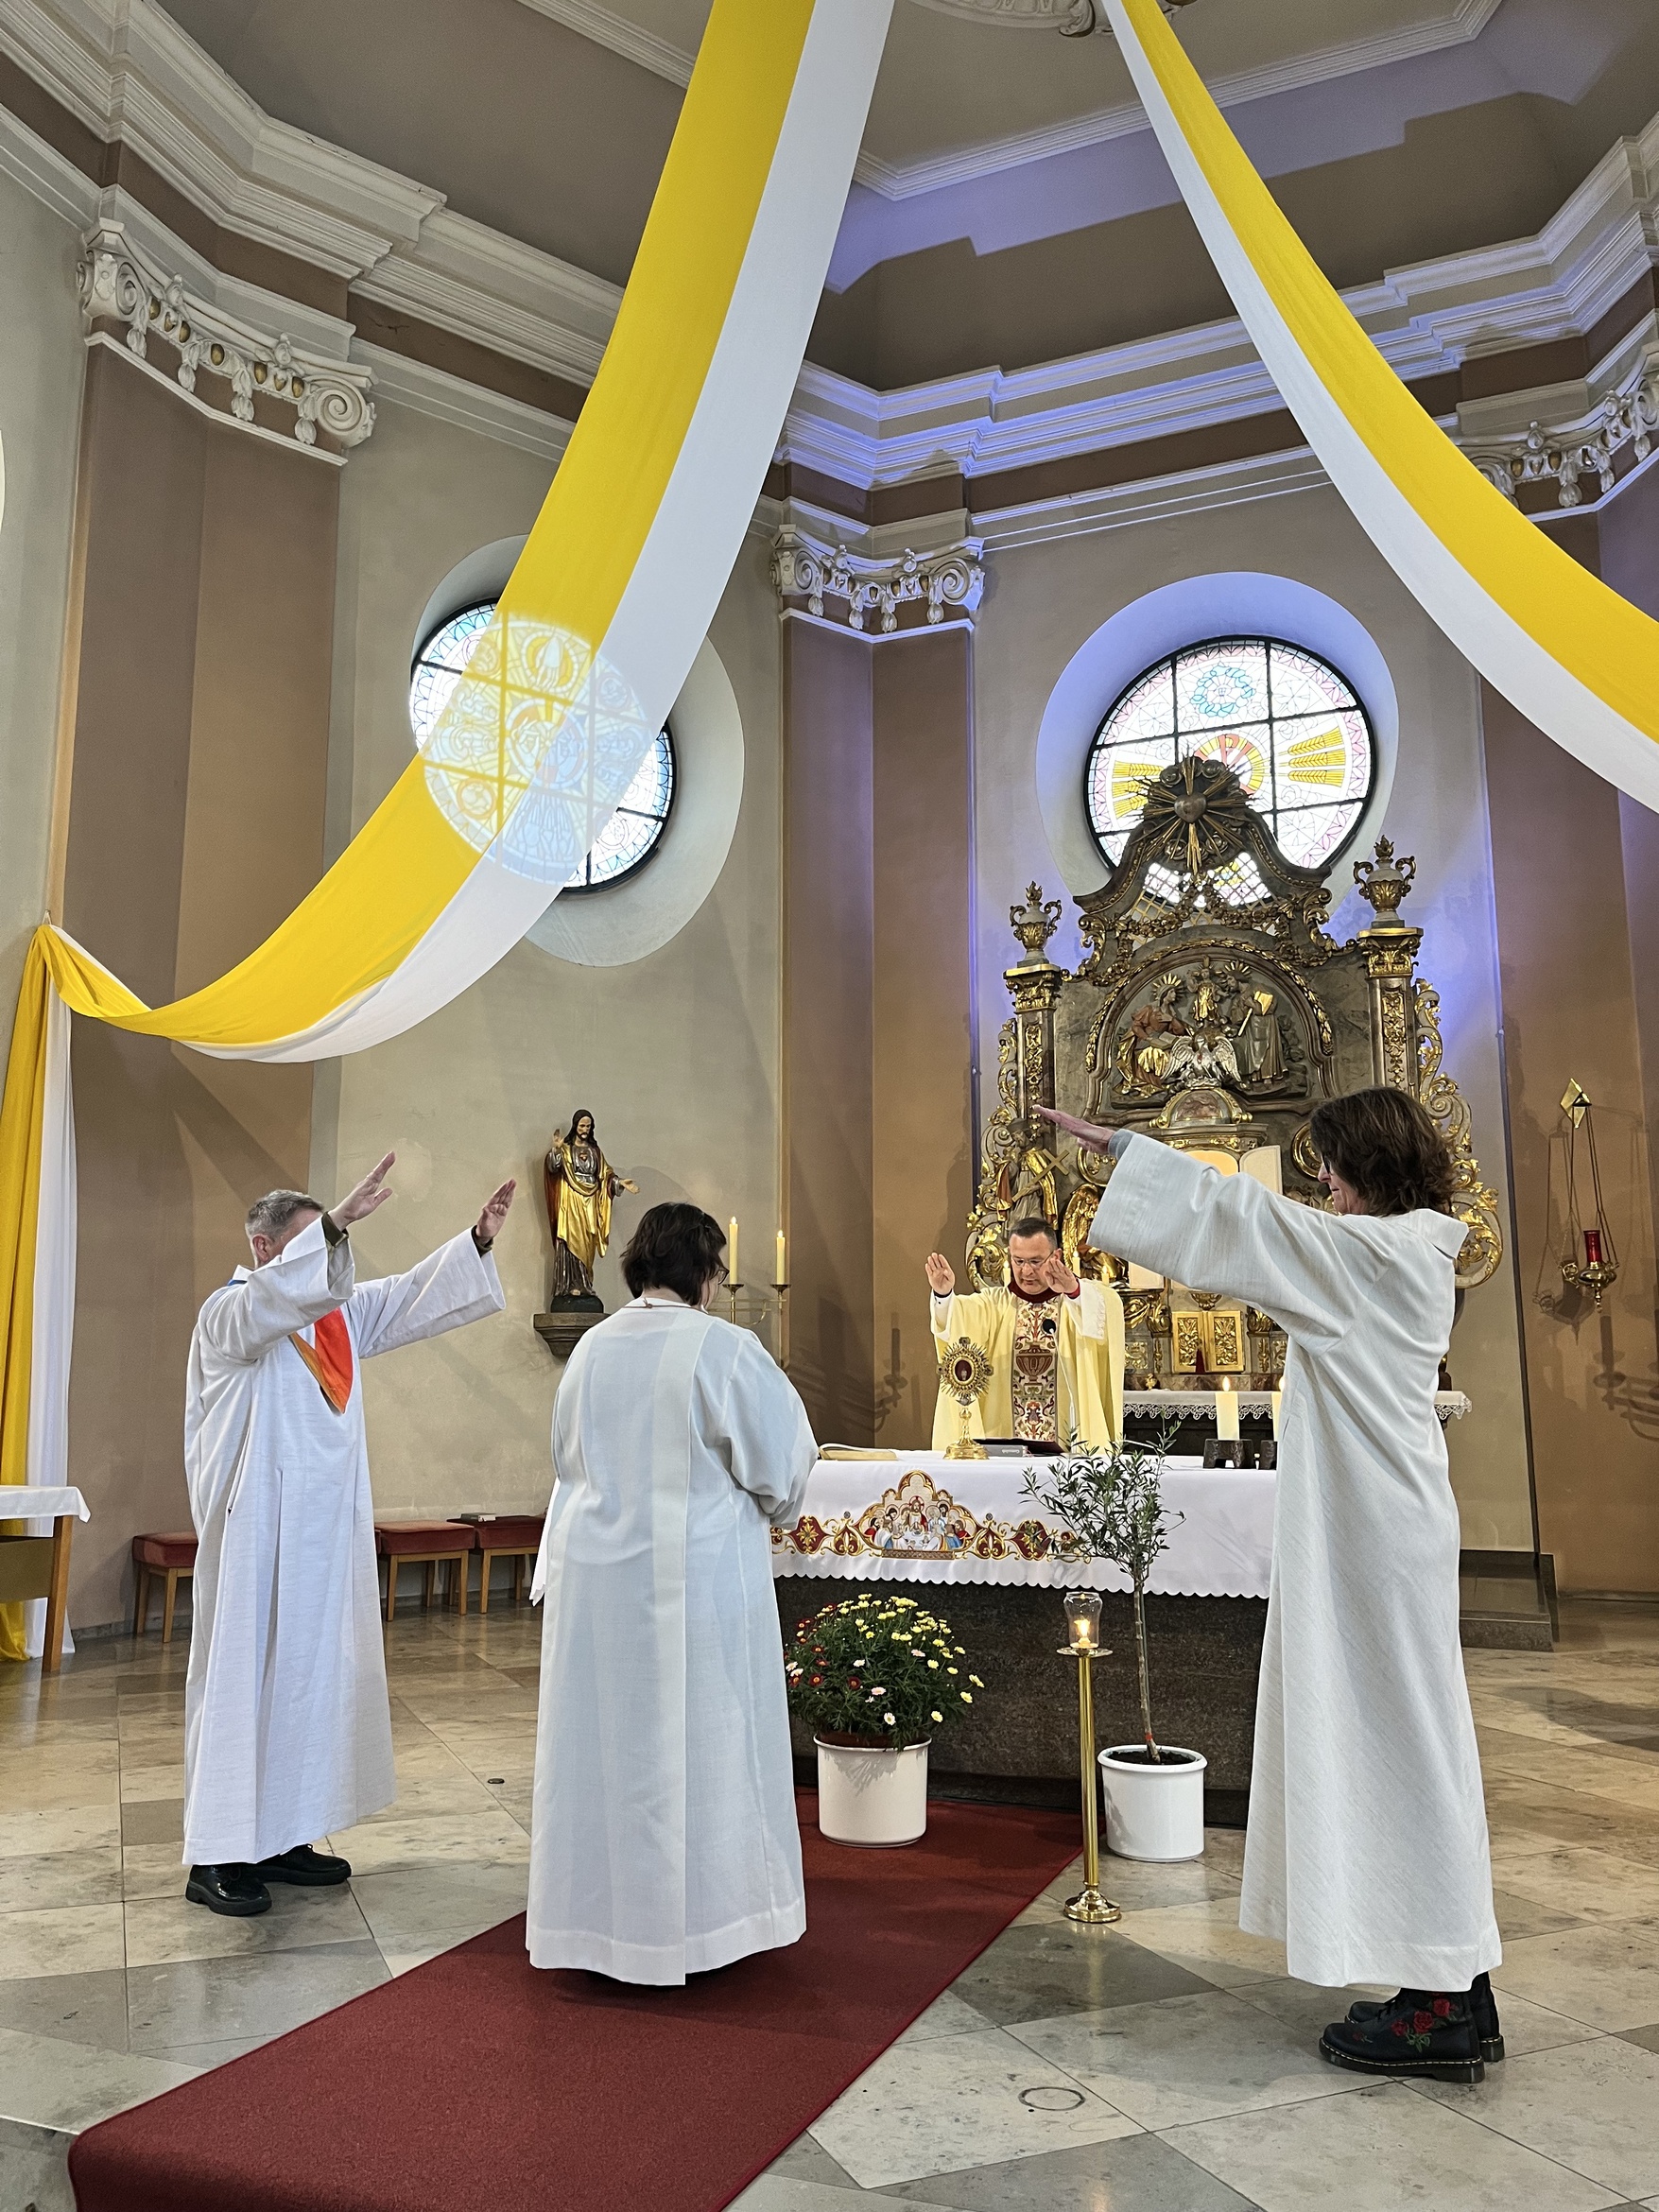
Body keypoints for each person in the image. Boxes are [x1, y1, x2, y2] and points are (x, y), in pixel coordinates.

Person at [1041, 1088, 1501, 2083]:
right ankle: (1457, 1971)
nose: (1322, 1187)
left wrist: (1123, 1148)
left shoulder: (1374, 1255)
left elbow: (1240, 1221)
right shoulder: (1415, 1248)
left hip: (1372, 1535)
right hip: (1391, 1524)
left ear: (1372, 1166)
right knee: (1421, 1737)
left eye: (1333, 1168)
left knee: (1398, 1740)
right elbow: (1260, 1222)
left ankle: (1436, 2007)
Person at [181, 1153, 514, 1916]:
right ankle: (218, 1852)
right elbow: (276, 1305)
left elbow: (402, 1298)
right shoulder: (231, 1313)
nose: (329, 1265)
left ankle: (284, 1833)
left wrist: (477, 1240)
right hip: (255, 1535)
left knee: (307, 1679)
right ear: (267, 1250)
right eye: (314, 1248)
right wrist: (335, 1223)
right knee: (244, 1680)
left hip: (319, 1537)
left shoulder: (332, 1317)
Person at [527, 1201, 817, 1984]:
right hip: (696, 1585)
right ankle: (703, 1927)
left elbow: (564, 1457)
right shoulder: (722, 1349)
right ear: (707, 1274)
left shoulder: (588, 1347)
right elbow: (783, 1466)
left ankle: (597, 1926)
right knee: (703, 1744)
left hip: (595, 1588)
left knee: (607, 1748)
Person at [925, 1218, 1124, 1450]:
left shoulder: (1075, 1303)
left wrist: (1074, 1291)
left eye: (1035, 1261)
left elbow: (1108, 1308)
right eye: (1018, 1261)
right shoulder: (994, 1304)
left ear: (1056, 1256)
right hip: (1005, 1448)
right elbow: (956, 1323)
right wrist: (943, 1294)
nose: (1026, 1271)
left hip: (1068, 1453)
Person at [544, 1109, 637, 1301]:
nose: (585, 1129)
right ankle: (569, 1286)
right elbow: (553, 1168)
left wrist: (619, 1183)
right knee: (570, 1241)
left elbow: (605, 1176)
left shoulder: (595, 1152)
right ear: (575, 1126)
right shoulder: (567, 1149)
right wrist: (556, 1150)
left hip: (590, 1204)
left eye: (588, 1126)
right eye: (582, 1126)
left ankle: (584, 1284)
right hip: (570, 1202)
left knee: (586, 1244)